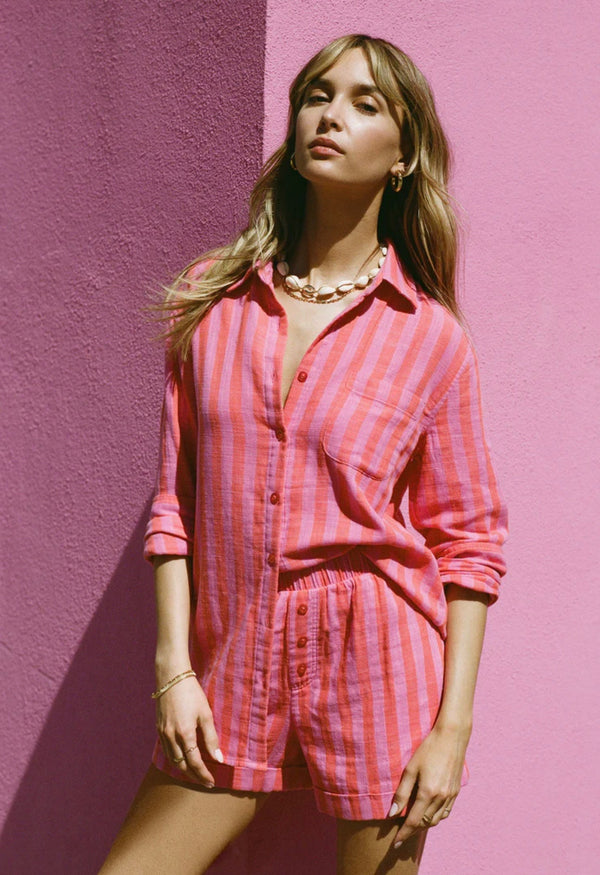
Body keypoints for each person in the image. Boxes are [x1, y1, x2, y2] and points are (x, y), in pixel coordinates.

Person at [100, 33, 508, 875]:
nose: (331, 115)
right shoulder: (212, 303)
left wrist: (452, 729)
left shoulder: (429, 338)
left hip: (380, 666)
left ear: (403, 157)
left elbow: (469, 543)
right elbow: (175, 505)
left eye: (365, 103)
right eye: (317, 95)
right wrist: (174, 668)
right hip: (231, 662)